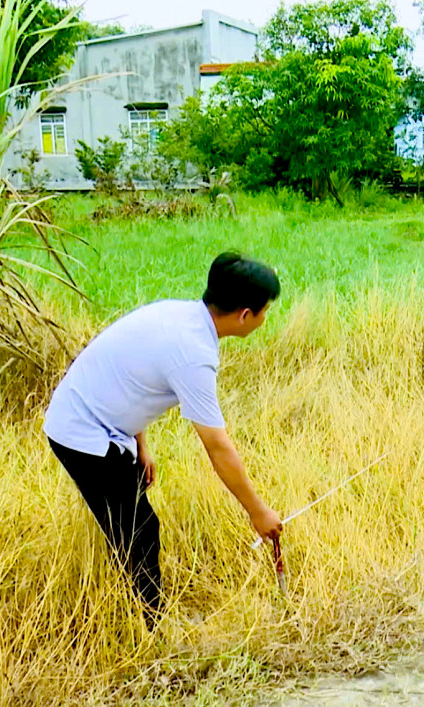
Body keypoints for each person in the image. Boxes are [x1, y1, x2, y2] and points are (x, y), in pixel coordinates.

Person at [44, 252, 284, 624]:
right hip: (81, 432)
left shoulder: (180, 315)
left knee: (132, 525)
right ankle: (150, 628)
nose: (265, 319)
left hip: (102, 423)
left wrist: (140, 444)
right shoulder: (194, 355)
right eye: (265, 311)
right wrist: (258, 512)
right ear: (245, 315)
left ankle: (142, 614)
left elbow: (129, 375)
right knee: (138, 532)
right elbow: (217, 446)